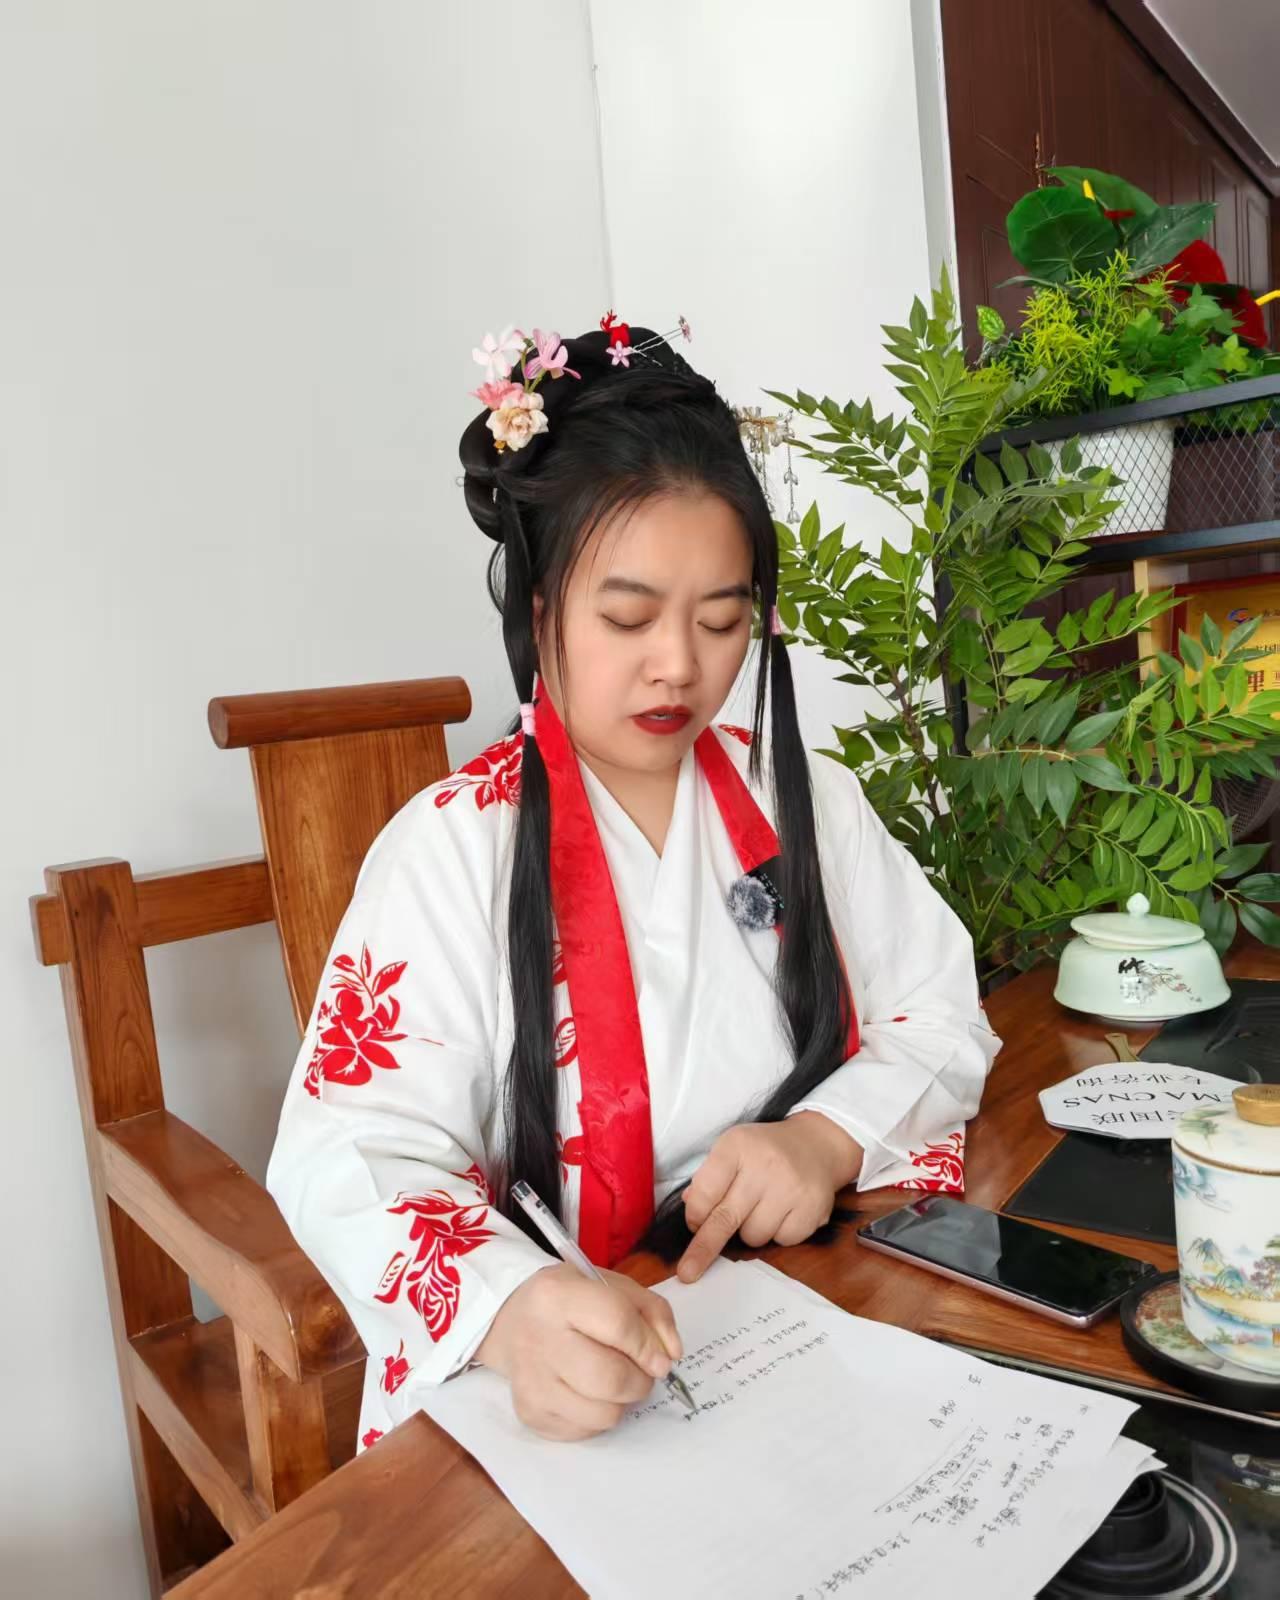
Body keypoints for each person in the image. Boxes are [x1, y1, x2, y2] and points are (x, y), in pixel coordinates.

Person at [266, 314, 1000, 1450]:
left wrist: (825, 1139)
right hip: (554, 1378)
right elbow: (349, 1153)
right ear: (539, 608)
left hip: (796, 1319)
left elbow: (939, 1011)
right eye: (627, 617)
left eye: (721, 620)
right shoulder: (451, 850)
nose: (680, 665)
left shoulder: (800, 796)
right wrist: (512, 1307)